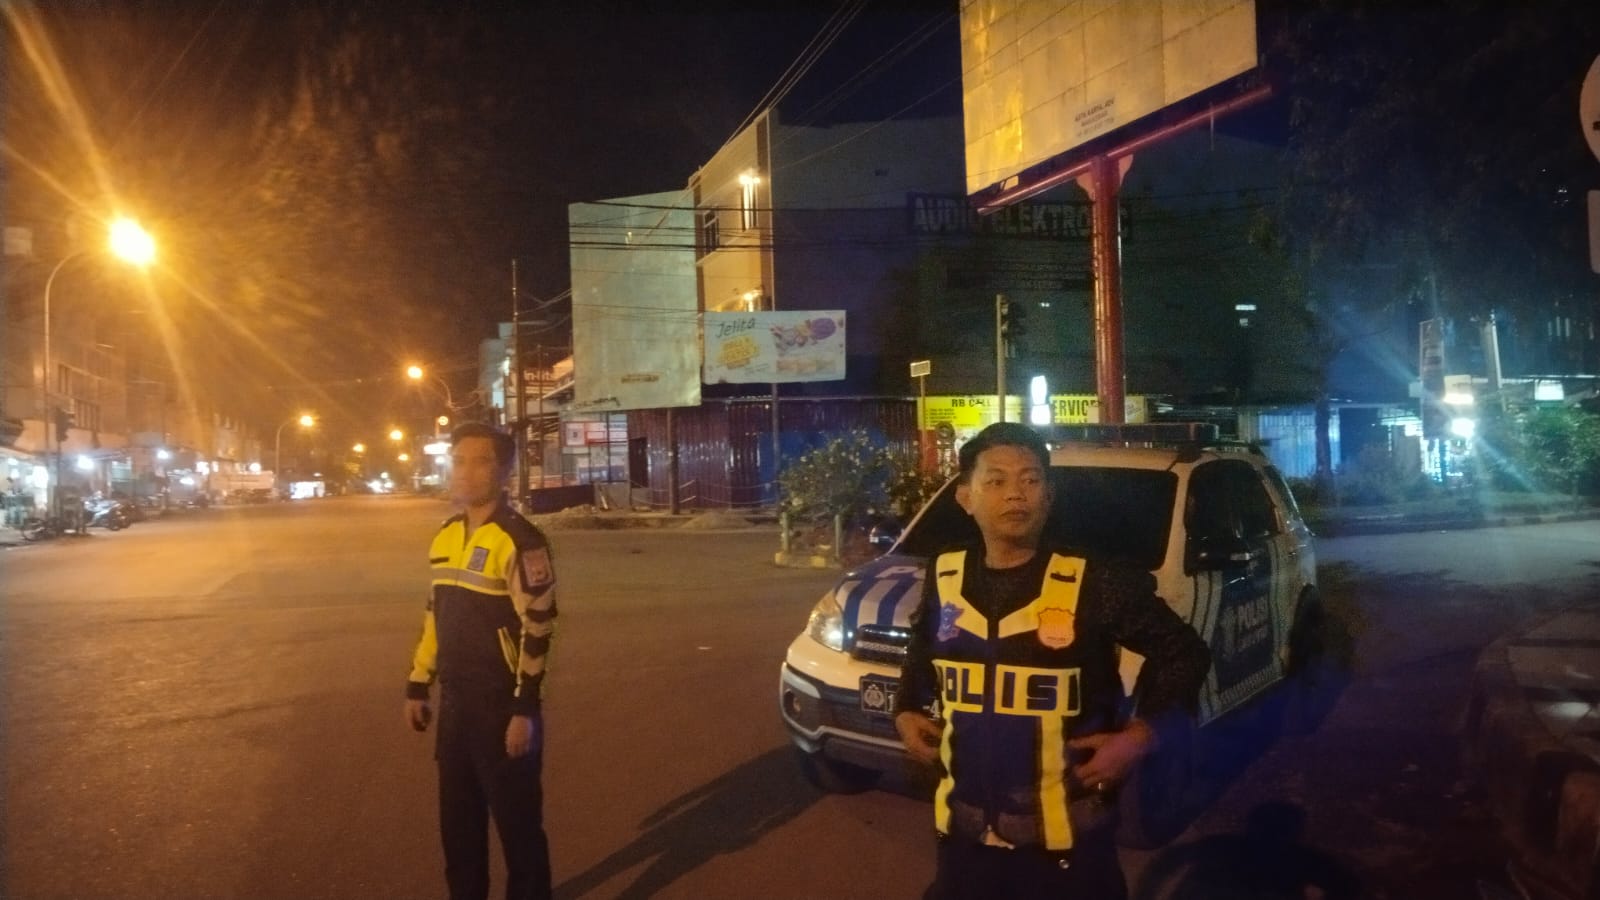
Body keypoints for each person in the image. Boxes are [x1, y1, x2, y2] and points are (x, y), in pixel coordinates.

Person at [894, 422, 1211, 900]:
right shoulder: (945, 575)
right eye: (996, 480)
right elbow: (921, 647)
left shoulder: (1093, 580)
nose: (1015, 493)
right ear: (966, 497)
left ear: (1049, 495)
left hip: (1068, 855)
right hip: (963, 845)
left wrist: (1140, 736)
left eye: (1030, 479)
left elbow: (1184, 653)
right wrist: (905, 707)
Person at [406, 422, 558, 900]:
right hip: (456, 707)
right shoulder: (447, 535)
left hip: (502, 708)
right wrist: (418, 682)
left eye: (480, 461)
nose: (465, 472)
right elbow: (436, 613)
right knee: (459, 828)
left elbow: (539, 626)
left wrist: (524, 709)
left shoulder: (520, 540)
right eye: (458, 461)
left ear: (505, 471)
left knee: (519, 829)